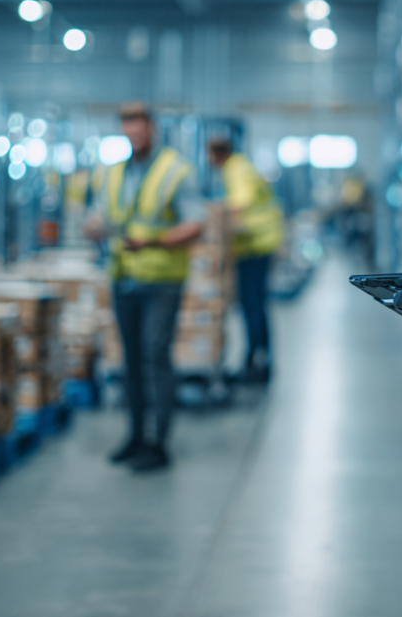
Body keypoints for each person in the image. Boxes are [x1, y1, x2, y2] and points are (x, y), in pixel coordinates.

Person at [84, 103, 205, 471]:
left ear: (152, 128)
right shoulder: (112, 173)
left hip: (162, 279)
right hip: (124, 277)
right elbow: (102, 215)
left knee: (155, 354)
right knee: (130, 360)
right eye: (127, 127)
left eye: (139, 126)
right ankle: (135, 434)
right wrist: (93, 226)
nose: (134, 133)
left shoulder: (176, 170)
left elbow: (195, 224)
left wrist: (153, 243)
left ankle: (159, 440)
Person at [207, 138, 283, 382]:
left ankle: (256, 360)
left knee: (252, 303)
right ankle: (258, 355)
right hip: (256, 243)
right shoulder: (240, 166)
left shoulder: (235, 169)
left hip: (255, 244)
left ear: (216, 155)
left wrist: (214, 214)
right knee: (255, 302)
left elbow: (239, 204)